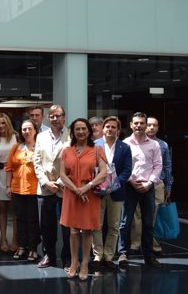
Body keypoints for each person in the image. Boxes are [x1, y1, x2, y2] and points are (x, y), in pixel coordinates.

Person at [60, 118, 107, 281]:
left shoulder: (97, 149)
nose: (81, 132)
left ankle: (85, 263)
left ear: (89, 131)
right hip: (72, 194)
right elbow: (62, 174)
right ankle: (74, 263)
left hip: (90, 194)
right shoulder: (66, 151)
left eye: (83, 129)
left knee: (87, 231)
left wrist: (86, 187)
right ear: (73, 132)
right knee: (73, 231)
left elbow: (103, 172)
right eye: (77, 129)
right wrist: (76, 190)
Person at [118, 112, 163, 268]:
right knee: (125, 222)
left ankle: (148, 255)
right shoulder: (124, 143)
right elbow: (122, 166)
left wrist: (149, 183)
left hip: (148, 187)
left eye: (141, 123)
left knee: (148, 223)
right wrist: (131, 181)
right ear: (131, 125)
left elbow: (158, 166)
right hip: (130, 187)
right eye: (136, 123)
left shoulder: (154, 145)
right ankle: (122, 253)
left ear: (145, 124)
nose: (139, 126)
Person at [91, 116, 132, 270]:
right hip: (98, 191)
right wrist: (97, 183)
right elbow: (90, 167)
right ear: (103, 129)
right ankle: (97, 255)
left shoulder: (124, 147)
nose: (110, 129)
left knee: (114, 225)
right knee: (97, 225)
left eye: (113, 127)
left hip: (116, 191)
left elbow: (128, 169)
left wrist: (115, 183)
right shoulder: (95, 145)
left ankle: (109, 256)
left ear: (118, 130)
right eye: (107, 126)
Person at [34, 105, 71, 270]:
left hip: (65, 187)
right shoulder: (41, 136)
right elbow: (37, 162)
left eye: (58, 116)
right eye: (52, 116)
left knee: (67, 227)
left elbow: (74, 163)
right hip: (45, 187)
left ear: (64, 116)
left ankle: (67, 258)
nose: (55, 119)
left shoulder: (72, 135)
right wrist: (45, 181)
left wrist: (61, 182)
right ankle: (48, 255)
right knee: (46, 226)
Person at [132, 116, 173, 255]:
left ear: (158, 128)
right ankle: (136, 244)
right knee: (136, 215)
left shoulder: (163, 145)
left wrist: (168, 187)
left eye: (154, 125)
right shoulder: (132, 142)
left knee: (154, 216)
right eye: (148, 125)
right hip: (137, 183)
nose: (151, 128)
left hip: (156, 184)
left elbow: (167, 166)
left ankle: (152, 245)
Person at [6, 120, 40, 262]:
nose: (27, 132)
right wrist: (8, 186)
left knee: (32, 219)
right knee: (19, 219)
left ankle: (33, 248)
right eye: (24, 129)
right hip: (17, 189)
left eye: (29, 129)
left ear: (35, 130)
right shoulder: (16, 147)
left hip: (34, 189)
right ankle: (22, 246)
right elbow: (9, 168)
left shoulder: (39, 147)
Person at [0, 113, 19, 254]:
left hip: (15, 174)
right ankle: (3, 240)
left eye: (3, 123)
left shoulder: (16, 136)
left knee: (16, 210)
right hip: (0, 174)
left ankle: (15, 239)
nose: (1, 126)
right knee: (2, 209)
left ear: (8, 123)